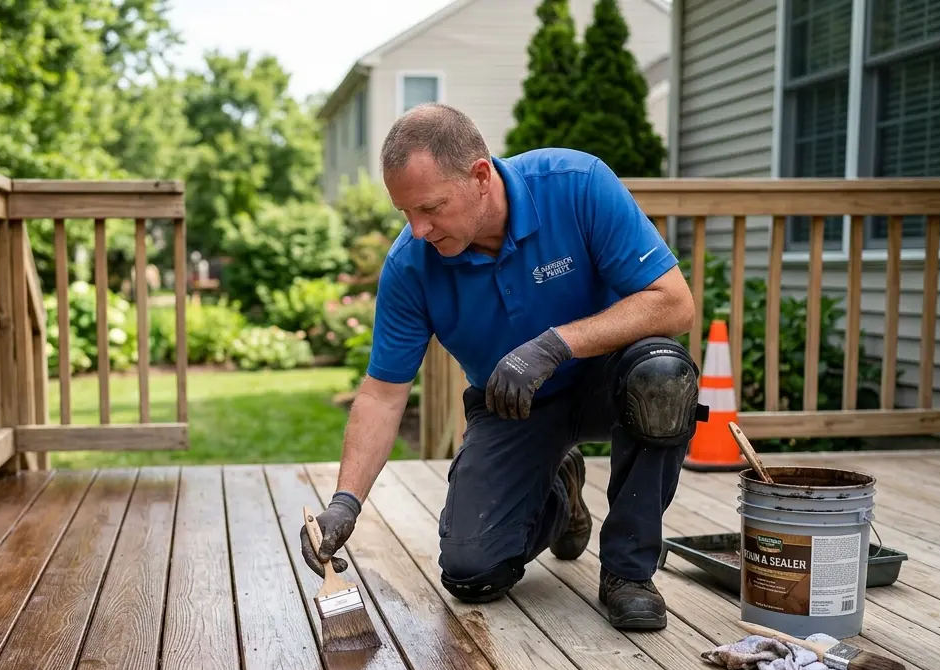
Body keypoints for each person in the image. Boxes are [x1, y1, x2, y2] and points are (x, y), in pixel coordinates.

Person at [299, 104, 703, 630]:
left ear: (481, 176)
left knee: (663, 378)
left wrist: (556, 344)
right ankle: (561, 492)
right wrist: (345, 503)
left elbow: (674, 304)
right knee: (472, 573)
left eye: (430, 208)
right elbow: (382, 393)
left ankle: (628, 572)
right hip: (514, 404)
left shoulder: (576, 184)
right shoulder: (411, 266)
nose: (418, 230)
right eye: (405, 213)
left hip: (612, 382)